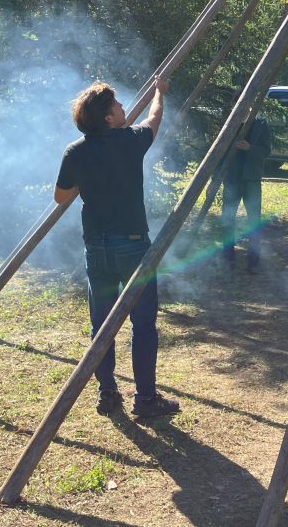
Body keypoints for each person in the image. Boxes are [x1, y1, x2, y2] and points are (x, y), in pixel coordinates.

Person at [54, 77, 179, 418]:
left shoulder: (75, 151)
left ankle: (107, 393)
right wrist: (159, 93)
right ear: (108, 117)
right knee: (143, 324)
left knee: (102, 324)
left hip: (97, 246)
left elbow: (61, 196)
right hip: (133, 247)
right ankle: (146, 399)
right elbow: (153, 120)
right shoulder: (130, 141)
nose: (124, 108)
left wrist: (90, 180)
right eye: (118, 105)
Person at [221, 90, 271, 273]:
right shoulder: (228, 125)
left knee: (253, 221)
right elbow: (218, 153)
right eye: (237, 103)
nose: (240, 107)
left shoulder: (260, 124)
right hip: (231, 179)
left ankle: (253, 261)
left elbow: (266, 151)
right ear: (233, 105)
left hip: (251, 179)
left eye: (244, 104)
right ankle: (228, 259)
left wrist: (251, 148)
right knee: (227, 220)